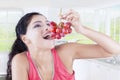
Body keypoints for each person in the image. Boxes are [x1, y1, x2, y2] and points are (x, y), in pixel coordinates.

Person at [6, 9, 120, 80]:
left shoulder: (66, 51)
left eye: (48, 23)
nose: (48, 27)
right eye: (37, 25)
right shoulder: (20, 60)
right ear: (25, 38)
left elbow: (115, 49)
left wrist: (82, 29)